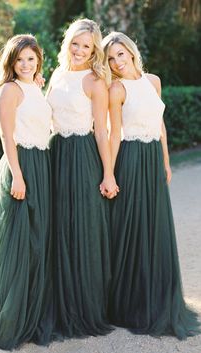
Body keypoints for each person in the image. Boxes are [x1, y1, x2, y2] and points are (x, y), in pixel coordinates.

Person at [102, 31, 201, 339]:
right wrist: (110, 173)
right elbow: (114, 134)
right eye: (110, 58)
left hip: (152, 159)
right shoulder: (116, 89)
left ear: (131, 52)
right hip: (130, 159)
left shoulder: (153, 81)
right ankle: (130, 302)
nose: (117, 62)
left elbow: (160, 125)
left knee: (154, 225)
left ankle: (157, 296)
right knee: (132, 226)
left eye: (121, 54)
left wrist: (167, 161)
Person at [0, 34, 54, 349]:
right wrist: (17, 175)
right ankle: (8, 318)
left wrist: (37, 86)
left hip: (42, 164)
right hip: (21, 166)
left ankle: (30, 313)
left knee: (37, 241)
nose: (26, 65)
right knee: (16, 243)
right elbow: (7, 135)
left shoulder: (33, 87)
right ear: (11, 62)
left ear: (38, 60)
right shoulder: (9, 90)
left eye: (31, 58)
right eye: (20, 60)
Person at [46, 18, 118, 338]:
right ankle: (56, 301)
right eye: (75, 42)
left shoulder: (95, 82)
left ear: (94, 50)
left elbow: (101, 132)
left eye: (86, 46)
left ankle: (83, 305)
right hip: (54, 153)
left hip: (81, 157)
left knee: (81, 227)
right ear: (67, 42)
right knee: (56, 227)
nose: (79, 50)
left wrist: (108, 173)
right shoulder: (57, 74)